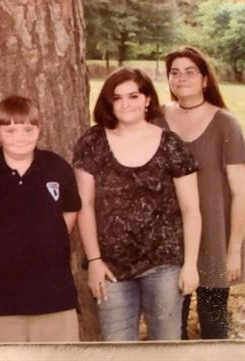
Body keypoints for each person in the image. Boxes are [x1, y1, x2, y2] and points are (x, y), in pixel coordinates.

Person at [73, 67, 201, 341]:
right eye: (117, 98)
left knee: (166, 346)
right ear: (108, 103)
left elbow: (191, 209)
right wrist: (94, 260)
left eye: (133, 96)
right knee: (117, 347)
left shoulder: (172, 145)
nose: (125, 104)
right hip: (110, 267)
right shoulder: (92, 142)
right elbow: (84, 202)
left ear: (146, 100)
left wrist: (190, 264)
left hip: (164, 262)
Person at [0, 95, 81, 342]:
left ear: (38, 130)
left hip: (54, 294)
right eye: (11, 130)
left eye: (28, 129)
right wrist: (2, 239)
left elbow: (70, 211)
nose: (21, 137)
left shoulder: (56, 167)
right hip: (0, 297)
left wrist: (47, 236)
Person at [161, 46, 245, 339]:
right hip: (171, 237)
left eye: (190, 72)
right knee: (173, 326)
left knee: (213, 323)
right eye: (175, 72)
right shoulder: (157, 120)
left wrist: (233, 250)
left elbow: (239, 194)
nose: (181, 78)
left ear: (205, 80)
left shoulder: (226, 124)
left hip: (214, 237)